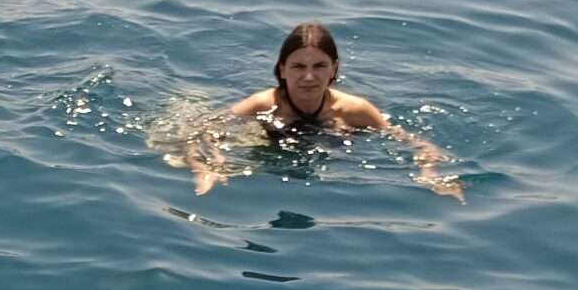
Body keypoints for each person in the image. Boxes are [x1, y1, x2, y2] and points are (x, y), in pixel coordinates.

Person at [188, 22, 461, 198]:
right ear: (282, 70)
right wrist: (206, 167)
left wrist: (431, 174)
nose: (309, 77)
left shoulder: (355, 110)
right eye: (298, 67)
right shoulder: (263, 104)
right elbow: (201, 134)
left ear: (334, 69)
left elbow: (416, 144)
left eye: (319, 66)